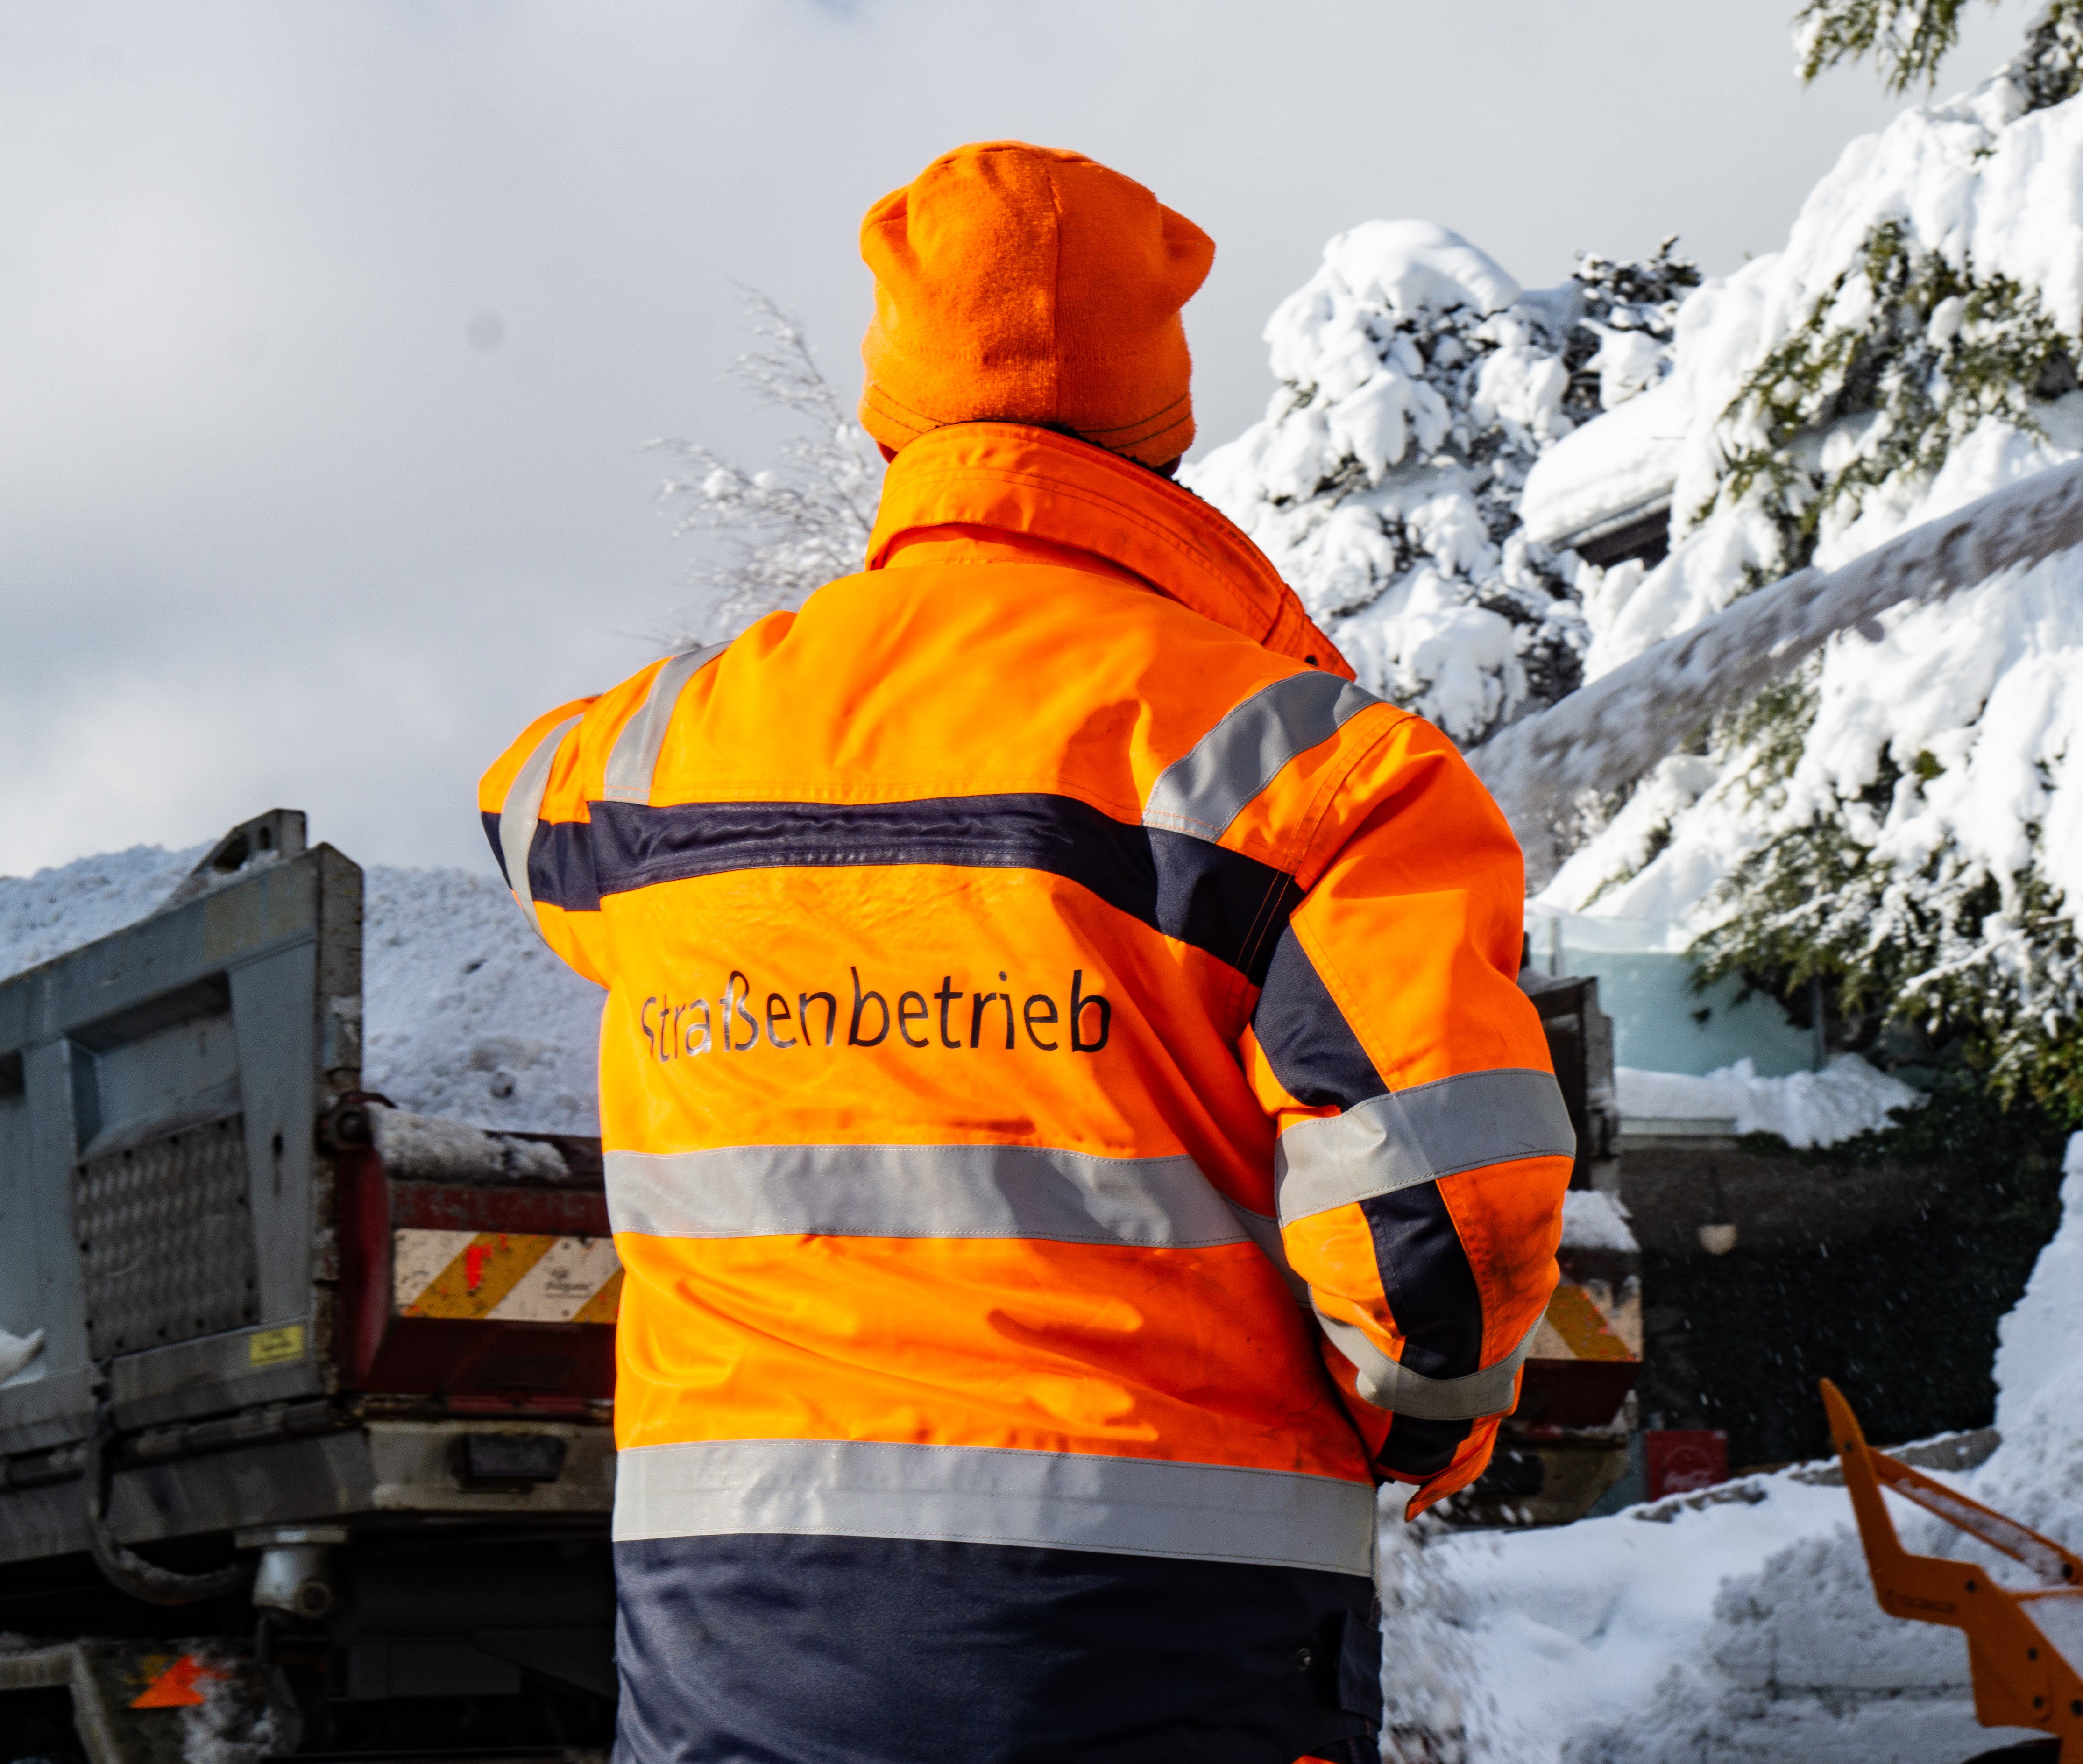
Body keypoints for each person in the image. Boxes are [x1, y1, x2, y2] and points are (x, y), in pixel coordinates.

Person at [478, 140, 1571, 1764]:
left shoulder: (647, 761)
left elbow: (520, 812)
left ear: (890, 403)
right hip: (1164, 1625)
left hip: (736, 1629)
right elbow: (1433, 1245)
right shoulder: (1324, 773)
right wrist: (1412, 1433)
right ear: (1165, 420)